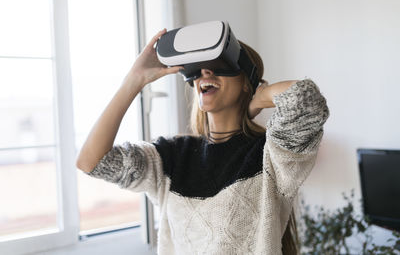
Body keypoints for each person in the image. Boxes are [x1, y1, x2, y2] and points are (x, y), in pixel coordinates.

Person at [76, 28, 329, 255]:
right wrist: (135, 80)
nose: (204, 73)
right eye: (196, 69)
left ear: (245, 82)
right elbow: (93, 161)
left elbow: (306, 100)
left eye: (219, 64)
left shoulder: (270, 154)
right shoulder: (171, 157)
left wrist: (258, 98)